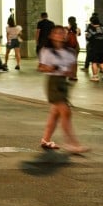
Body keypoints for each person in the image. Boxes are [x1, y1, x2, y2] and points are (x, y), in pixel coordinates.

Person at [37, 25, 88, 153]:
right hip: (53, 83)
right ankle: (72, 144)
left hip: (63, 83)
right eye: (57, 32)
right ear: (51, 35)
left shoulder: (69, 51)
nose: (60, 35)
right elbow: (41, 67)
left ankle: (46, 139)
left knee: (55, 114)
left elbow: (73, 67)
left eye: (63, 33)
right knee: (66, 112)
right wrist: (49, 68)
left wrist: (70, 73)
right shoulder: (46, 51)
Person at [84, 14, 103, 81]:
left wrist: (86, 35)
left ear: (91, 22)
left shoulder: (91, 29)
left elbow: (88, 39)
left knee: (94, 62)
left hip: (95, 48)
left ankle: (95, 77)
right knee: (101, 61)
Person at [65, 16, 80, 80]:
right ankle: (74, 75)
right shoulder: (78, 28)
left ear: (68, 21)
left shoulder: (66, 28)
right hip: (76, 45)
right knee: (75, 61)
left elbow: (65, 38)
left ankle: (70, 75)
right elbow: (78, 35)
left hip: (68, 46)